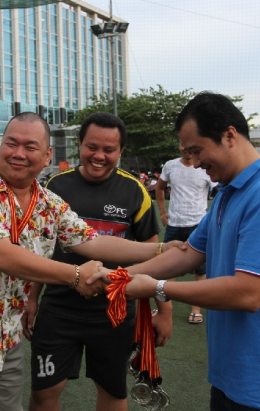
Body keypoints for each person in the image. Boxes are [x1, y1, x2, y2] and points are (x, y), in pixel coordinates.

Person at [0, 112, 182, 411]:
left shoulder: (47, 202)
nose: (18, 153)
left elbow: (92, 240)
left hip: (5, 340)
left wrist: (162, 249)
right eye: (11, 143)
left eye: (30, 147)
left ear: (46, 156)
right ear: (0, 148)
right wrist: (76, 274)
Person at [90, 92, 260, 410]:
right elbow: (188, 254)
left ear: (229, 135)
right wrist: (119, 276)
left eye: (197, 151)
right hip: (233, 377)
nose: (196, 163)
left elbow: (247, 293)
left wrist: (157, 288)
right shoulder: (230, 193)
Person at [26, 112, 170, 411]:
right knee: (44, 392)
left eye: (109, 150)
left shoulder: (135, 191)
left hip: (114, 313)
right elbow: (42, 249)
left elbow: (154, 255)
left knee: (113, 391)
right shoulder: (56, 186)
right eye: (92, 147)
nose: (99, 156)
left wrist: (163, 311)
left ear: (121, 151)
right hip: (59, 309)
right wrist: (31, 299)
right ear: (80, 144)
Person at [156, 139, 216, 324]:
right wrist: (163, 212)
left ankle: (196, 309)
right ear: (179, 146)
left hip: (198, 225)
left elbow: (220, 191)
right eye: (183, 145)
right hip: (174, 224)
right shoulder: (170, 166)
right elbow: (159, 187)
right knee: (168, 266)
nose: (187, 149)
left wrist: (211, 218)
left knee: (200, 269)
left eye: (190, 146)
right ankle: (166, 308)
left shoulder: (204, 166)